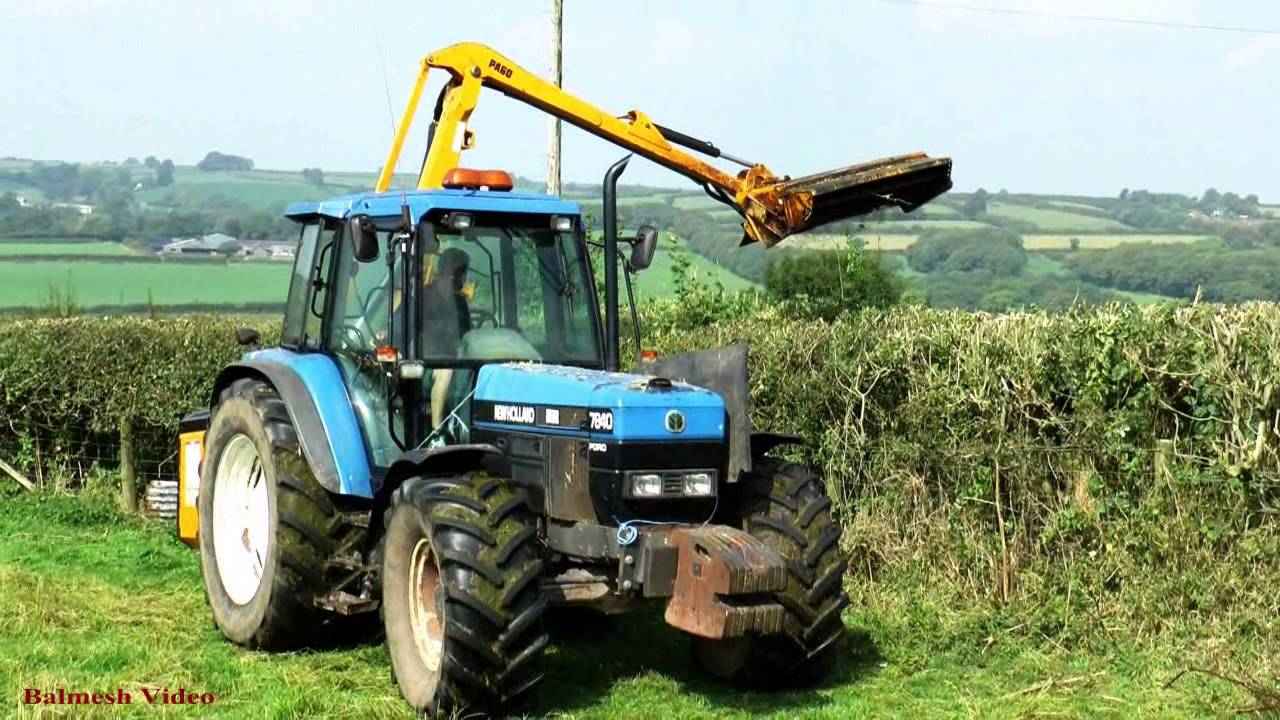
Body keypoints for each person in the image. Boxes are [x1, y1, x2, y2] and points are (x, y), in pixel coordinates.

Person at [420, 247, 473, 428]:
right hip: (427, 362)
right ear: (452, 273)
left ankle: (465, 426)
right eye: (462, 273)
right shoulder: (422, 298)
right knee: (446, 370)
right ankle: (437, 430)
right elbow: (401, 331)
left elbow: (468, 335)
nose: (464, 279)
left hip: (456, 358)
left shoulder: (460, 302)